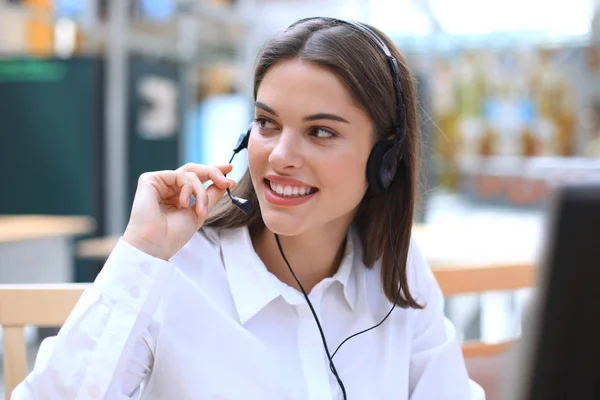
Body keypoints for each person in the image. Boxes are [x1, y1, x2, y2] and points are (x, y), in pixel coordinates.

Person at [12, 17, 485, 399]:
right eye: (267, 123)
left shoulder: (393, 270)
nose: (280, 156)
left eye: (321, 131)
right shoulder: (177, 269)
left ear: (385, 159)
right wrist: (142, 252)